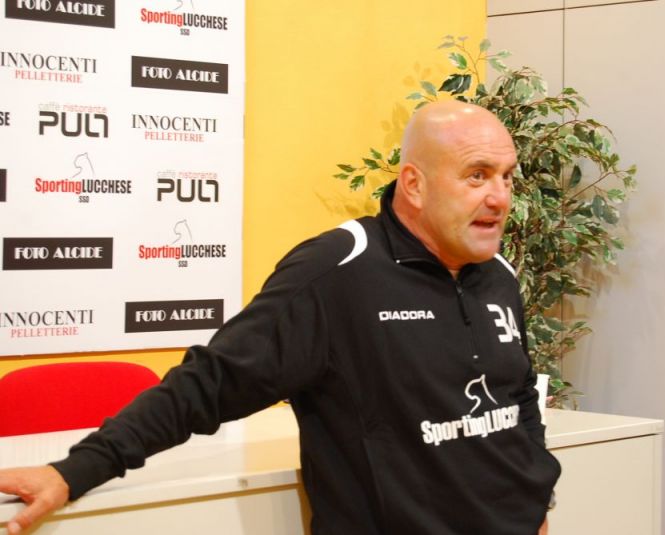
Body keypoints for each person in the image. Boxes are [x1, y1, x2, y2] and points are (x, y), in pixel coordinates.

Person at [0, 101, 561, 534]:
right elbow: (209, 383)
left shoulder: (498, 274)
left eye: (507, 176)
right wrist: (73, 471)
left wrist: (537, 502)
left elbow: (515, 401)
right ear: (414, 184)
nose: (500, 197)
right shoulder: (337, 270)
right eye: (477, 175)